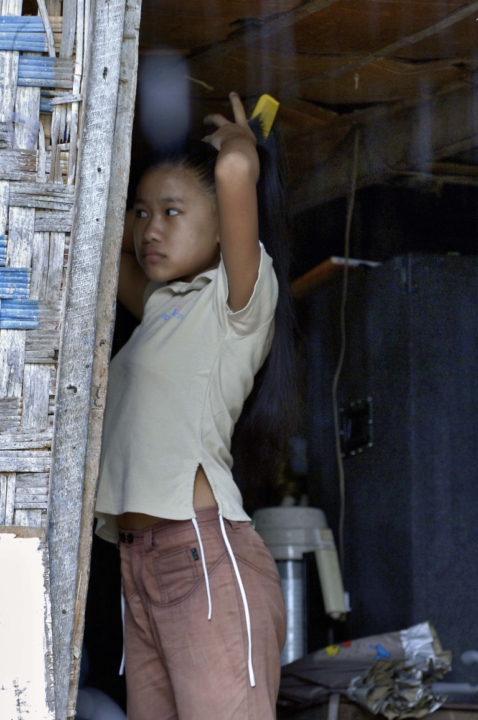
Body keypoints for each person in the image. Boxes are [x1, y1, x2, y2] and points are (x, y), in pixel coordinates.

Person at [94, 93, 295, 720]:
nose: (150, 228)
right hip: (139, 564)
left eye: (173, 211)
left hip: (201, 556)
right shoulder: (161, 307)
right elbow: (99, 247)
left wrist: (240, 140)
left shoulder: (237, 303)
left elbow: (233, 172)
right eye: (143, 212)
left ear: (223, 225)